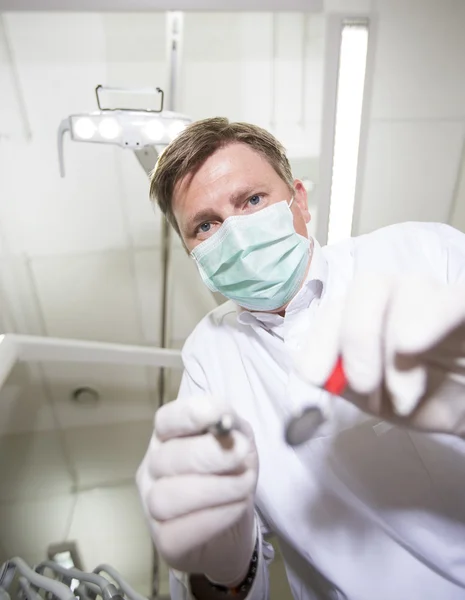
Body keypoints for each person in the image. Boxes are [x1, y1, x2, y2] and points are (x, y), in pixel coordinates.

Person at [136, 118, 465, 600]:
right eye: (205, 225)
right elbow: (221, 587)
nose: (237, 235)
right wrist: (224, 568)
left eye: (251, 200)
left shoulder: (422, 252)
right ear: (192, 253)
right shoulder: (209, 355)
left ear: (300, 202)